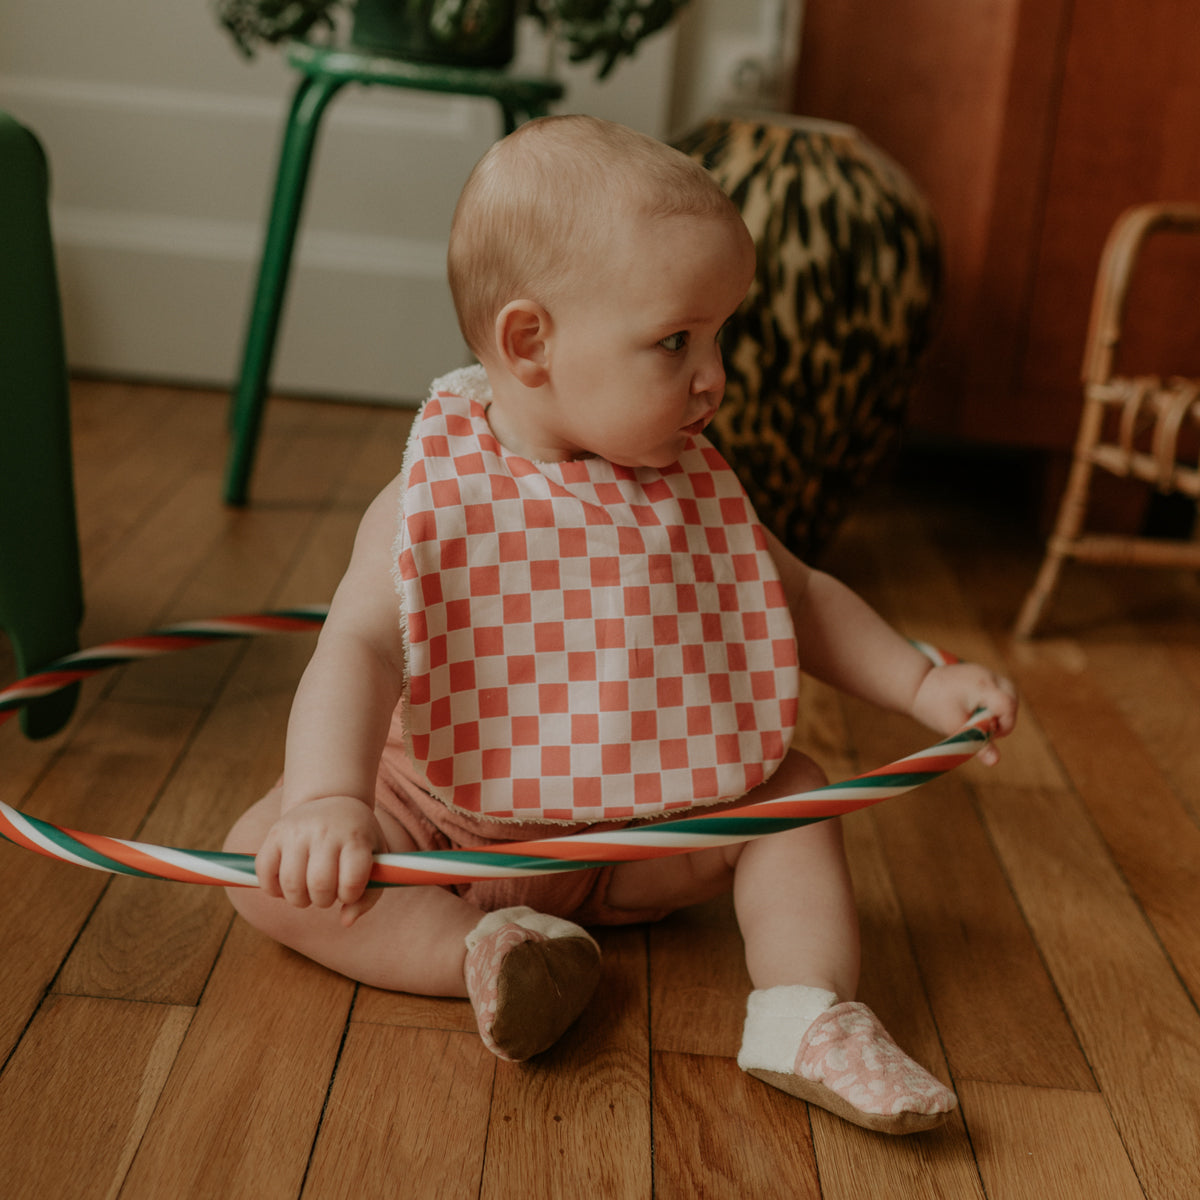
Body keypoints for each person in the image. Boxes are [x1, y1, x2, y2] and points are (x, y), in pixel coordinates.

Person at [224, 114, 1018, 1135]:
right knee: (265, 863)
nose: (714, 375)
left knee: (796, 797)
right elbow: (362, 648)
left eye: (721, 334)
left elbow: (801, 596)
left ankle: (805, 1010)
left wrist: (918, 682)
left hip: (648, 834)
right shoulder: (440, 500)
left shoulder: (692, 487)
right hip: (449, 832)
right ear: (530, 343)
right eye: (676, 341)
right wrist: (330, 799)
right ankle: (486, 949)